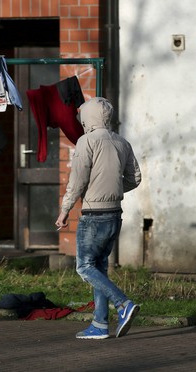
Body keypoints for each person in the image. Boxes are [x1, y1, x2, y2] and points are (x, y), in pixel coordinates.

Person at [55, 97, 142, 339]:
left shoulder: (87, 141)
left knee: (84, 267)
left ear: (87, 117)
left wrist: (65, 210)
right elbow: (134, 178)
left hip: (93, 215)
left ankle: (123, 304)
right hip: (115, 214)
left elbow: (77, 180)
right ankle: (100, 325)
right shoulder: (122, 142)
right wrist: (112, 190)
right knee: (100, 268)